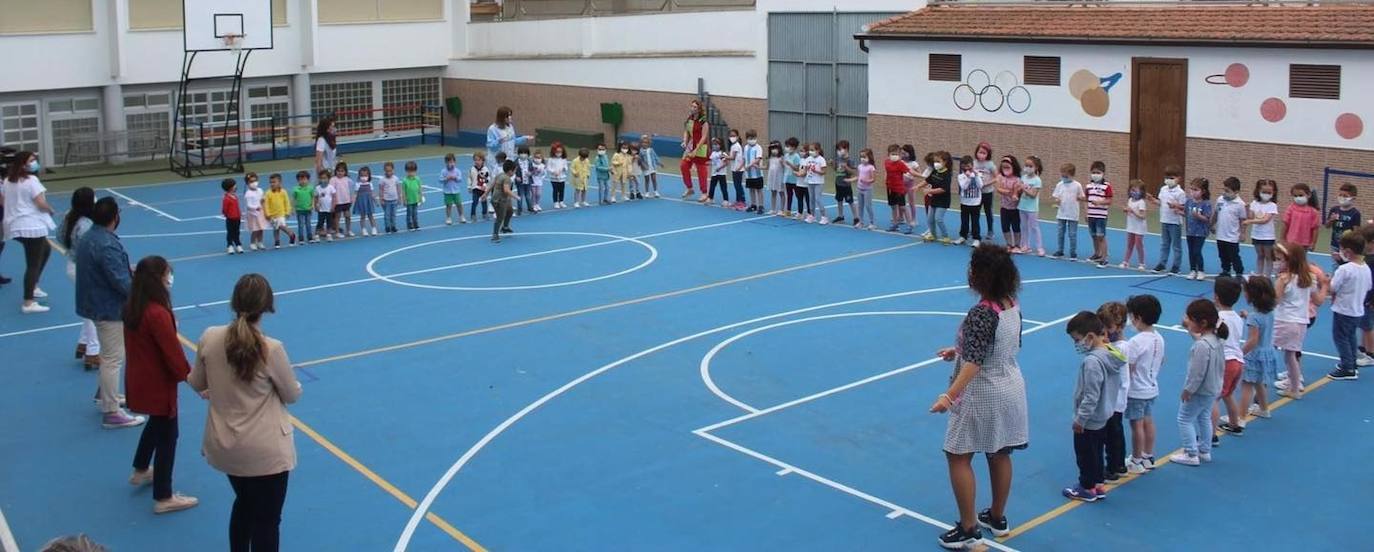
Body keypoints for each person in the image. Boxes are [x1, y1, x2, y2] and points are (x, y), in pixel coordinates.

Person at [189, 273, 300, 552]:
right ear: (267, 306)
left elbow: (197, 382)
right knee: (267, 520)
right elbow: (291, 394)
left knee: (245, 504)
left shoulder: (210, 337)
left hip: (226, 443)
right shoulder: (270, 348)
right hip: (264, 449)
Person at [928, 244, 1029, 549]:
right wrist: (958, 349)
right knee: (1000, 452)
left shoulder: (982, 313)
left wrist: (949, 396)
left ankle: (969, 528)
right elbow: (1000, 345)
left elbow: (976, 362)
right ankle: (997, 517)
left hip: (982, 392)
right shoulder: (1011, 304)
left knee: (957, 454)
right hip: (1010, 384)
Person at [123, 255, 198, 514]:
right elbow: (172, 353)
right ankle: (164, 496)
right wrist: (192, 379)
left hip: (140, 375)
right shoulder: (156, 313)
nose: (170, 279)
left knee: (156, 423)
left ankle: (141, 468)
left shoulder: (134, 305)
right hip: (157, 381)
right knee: (168, 434)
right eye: (167, 274)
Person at [76, 197, 146, 429]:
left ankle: (106, 395)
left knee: (109, 356)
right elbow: (120, 282)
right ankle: (111, 411)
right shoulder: (106, 243)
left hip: (94, 302)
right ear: (115, 217)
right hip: (108, 308)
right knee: (113, 358)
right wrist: (143, 292)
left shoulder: (91, 237)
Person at [1062, 311, 1125, 502]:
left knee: (1085, 454)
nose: (1076, 344)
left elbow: (1091, 395)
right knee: (1097, 450)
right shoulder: (1112, 354)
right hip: (1105, 414)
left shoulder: (1091, 362)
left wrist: (1080, 419)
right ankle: (1098, 483)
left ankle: (1086, 487)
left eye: (1077, 339)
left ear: (1090, 337)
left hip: (1090, 419)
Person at [1170, 299, 1225, 466]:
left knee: (1184, 419)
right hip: (1213, 387)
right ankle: (1204, 450)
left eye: (1190, 319)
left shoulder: (1201, 346)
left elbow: (1197, 373)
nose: (1188, 322)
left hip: (1200, 390)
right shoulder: (1216, 340)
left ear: (1202, 323)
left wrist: (1188, 390)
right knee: (1204, 417)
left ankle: (1191, 452)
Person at [4, 151, 56, 312]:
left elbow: (4, 199)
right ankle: (28, 301)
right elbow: (40, 202)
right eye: (31, 160)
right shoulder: (31, 180)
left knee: (46, 250)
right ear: (24, 164)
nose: (35, 162)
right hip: (31, 226)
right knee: (33, 264)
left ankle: (33, 286)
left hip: (16, 225)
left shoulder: (8, 181)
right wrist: (50, 210)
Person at [60, 187, 101, 369]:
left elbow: (60, 236)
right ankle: (93, 351)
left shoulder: (70, 216)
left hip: (72, 264)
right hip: (85, 269)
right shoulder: (86, 226)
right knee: (95, 311)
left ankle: (83, 343)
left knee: (89, 306)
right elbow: (93, 250)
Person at [1123, 294, 1164, 473]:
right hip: (1151, 386)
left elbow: (1129, 367)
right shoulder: (1158, 338)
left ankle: (1136, 459)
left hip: (1136, 390)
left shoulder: (1136, 342)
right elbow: (1162, 360)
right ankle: (1148, 455)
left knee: (1136, 425)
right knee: (1148, 421)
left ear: (1138, 318)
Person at [1234, 276, 1279, 432]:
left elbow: (1253, 340)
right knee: (1259, 382)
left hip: (1254, 354)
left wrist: (1240, 353)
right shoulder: (1269, 312)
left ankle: (1240, 418)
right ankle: (1264, 409)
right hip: (1267, 351)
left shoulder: (1254, 317)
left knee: (1246, 385)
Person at [1272, 243, 1314, 399]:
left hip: (1284, 321)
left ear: (1290, 261)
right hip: (1300, 321)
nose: (1277, 263)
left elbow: (1275, 300)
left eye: (1279, 260)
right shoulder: (1306, 278)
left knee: (1268, 350)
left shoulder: (1284, 279)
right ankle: (1295, 388)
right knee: (1291, 356)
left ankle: (1260, 386)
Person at [1327, 232, 1370, 381]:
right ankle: (1352, 362)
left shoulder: (1344, 270)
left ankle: (1347, 367)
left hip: (1344, 309)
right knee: (1350, 336)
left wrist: (1326, 281)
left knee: (1340, 337)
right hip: (1357, 309)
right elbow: (1369, 286)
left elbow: (1332, 287)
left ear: (1348, 251)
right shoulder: (1365, 268)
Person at [1095, 301, 1130, 481]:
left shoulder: (1121, 346)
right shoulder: (1115, 343)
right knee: (1114, 431)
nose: (1106, 332)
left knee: (1112, 432)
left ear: (1120, 326)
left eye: (1109, 328)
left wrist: (1104, 345)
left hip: (1116, 396)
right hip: (1112, 394)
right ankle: (1118, 464)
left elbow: (1118, 361)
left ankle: (1115, 465)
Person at [1212, 277, 1246, 439]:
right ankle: (1234, 423)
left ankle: (1211, 435)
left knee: (1213, 399)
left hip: (1224, 361)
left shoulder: (1218, 318)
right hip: (1238, 361)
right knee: (1228, 394)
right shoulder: (1237, 318)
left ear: (1216, 297)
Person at [1151, 165, 1187, 275]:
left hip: (1175, 222)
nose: (1169, 180)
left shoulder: (1180, 193)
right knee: (1164, 244)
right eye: (1167, 178)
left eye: (1172, 178)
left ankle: (1176, 266)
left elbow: (1183, 207)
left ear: (1178, 178)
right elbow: (1161, 202)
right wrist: (1153, 200)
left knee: (1176, 245)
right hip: (1164, 220)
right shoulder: (1163, 189)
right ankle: (1162, 263)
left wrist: (1176, 206)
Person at [1242, 179, 1279, 278]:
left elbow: (1265, 220)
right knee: (1260, 255)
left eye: (1269, 192)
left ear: (1273, 193)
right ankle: (1259, 273)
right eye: (1264, 192)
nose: (1266, 194)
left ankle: (1267, 275)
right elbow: (1250, 216)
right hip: (1256, 234)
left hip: (1268, 236)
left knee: (1268, 256)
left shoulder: (1272, 206)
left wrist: (1250, 222)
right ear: (1258, 191)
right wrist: (1247, 208)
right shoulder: (1255, 203)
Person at [1214, 177, 1247, 278]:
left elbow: (1242, 220)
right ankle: (1226, 270)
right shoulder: (1220, 200)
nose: (1224, 193)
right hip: (1221, 234)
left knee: (1234, 255)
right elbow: (1215, 213)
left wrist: (1243, 233)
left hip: (1232, 236)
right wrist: (1211, 224)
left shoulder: (1240, 204)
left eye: (1227, 191)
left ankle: (1239, 272)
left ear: (1236, 191)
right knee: (1222, 255)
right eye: (1224, 190)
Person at [1183, 178, 1214, 280]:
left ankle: (1200, 270)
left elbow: (1207, 218)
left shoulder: (1206, 204)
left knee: (1197, 251)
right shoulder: (1189, 202)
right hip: (1190, 231)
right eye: (1191, 189)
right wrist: (1177, 211)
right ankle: (1192, 270)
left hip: (1200, 232)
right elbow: (1186, 213)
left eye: (1196, 190)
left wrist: (1198, 216)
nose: (1193, 192)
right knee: (1191, 251)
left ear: (1203, 191)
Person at [679, 99, 710, 200]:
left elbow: (704, 136)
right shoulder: (689, 119)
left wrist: (697, 149)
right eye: (691, 106)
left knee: (701, 170)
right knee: (683, 165)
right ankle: (689, 188)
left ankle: (704, 193)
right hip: (690, 146)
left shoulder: (703, 121)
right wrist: (685, 141)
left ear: (699, 109)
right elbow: (686, 131)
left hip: (701, 148)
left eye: (695, 107)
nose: (692, 108)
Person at [1051, 163, 1083, 259]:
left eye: (1066, 176)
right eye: (1062, 175)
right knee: (1060, 233)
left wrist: (1080, 197)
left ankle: (1073, 252)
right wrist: (1057, 201)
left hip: (1073, 213)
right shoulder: (1060, 184)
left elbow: (1082, 196)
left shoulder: (1077, 185)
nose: (1063, 177)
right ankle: (1060, 250)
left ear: (1072, 175)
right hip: (1061, 213)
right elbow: (1056, 196)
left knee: (1072, 234)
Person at [1084, 161, 1113, 267]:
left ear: (1103, 173)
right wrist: (1086, 212)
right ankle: (1097, 253)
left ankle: (1104, 258)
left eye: (1098, 172)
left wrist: (1100, 202)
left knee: (1101, 236)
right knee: (1094, 236)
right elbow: (1086, 200)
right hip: (1091, 214)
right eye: (1093, 172)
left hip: (1101, 215)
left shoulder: (1107, 186)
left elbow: (1109, 201)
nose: (1095, 175)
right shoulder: (1088, 186)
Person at [1326, 182, 1361, 266]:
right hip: (1334, 244)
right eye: (1340, 195)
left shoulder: (1355, 213)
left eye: (1345, 196)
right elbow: (1327, 226)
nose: (1342, 198)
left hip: (1347, 247)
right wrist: (1331, 220)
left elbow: (1356, 232)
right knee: (1335, 265)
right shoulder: (1334, 209)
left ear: (1353, 198)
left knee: (1347, 265)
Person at [1281, 183, 1321, 252]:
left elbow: (1315, 229)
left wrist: (1313, 243)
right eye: (1295, 196)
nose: (1298, 198)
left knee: (1301, 260)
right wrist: (1282, 238)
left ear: (1308, 195)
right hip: (1291, 241)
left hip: (1304, 244)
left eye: (1300, 195)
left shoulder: (1313, 212)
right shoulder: (1291, 208)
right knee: (1290, 259)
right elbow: (1285, 224)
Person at [1018, 156, 1045, 256]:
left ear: (1036, 167)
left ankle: (1039, 247)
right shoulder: (1023, 177)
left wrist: (1024, 188)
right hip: (1022, 206)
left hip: (1032, 208)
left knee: (1034, 227)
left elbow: (1033, 195)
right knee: (1024, 227)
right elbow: (1020, 191)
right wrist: (1018, 189)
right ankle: (1025, 245)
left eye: (1030, 166)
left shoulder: (1037, 180)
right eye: (1026, 165)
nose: (1028, 168)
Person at [994, 156, 1023, 250]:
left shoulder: (1017, 179)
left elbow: (1017, 191)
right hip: (1004, 207)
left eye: (1008, 167)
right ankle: (1009, 244)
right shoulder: (1000, 177)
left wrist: (1015, 193)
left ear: (1013, 166)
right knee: (1005, 226)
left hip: (1015, 208)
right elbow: (998, 189)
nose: (1005, 169)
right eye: (1004, 167)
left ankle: (1017, 245)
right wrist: (1009, 192)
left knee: (1016, 227)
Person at [926, 151, 953, 243]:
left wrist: (930, 191)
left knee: (938, 219)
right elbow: (927, 180)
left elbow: (943, 189)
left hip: (943, 201)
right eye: (935, 161)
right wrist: (917, 186)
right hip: (934, 200)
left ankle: (946, 236)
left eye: (938, 161)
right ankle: (933, 235)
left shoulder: (947, 174)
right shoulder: (935, 171)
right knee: (930, 219)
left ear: (945, 162)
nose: (936, 164)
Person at [1120, 180, 1148, 269]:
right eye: (1132, 190)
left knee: (1138, 244)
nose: (1133, 192)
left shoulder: (1141, 202)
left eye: (1136, 191)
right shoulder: (1130, 200)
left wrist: (1133, 211)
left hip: (1139, 227)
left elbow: (1142, 216)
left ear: (1141, 192)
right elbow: (1129, 212)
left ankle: (1142, 263)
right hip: (1131, 226)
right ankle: (1126, 261)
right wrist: (1126, 210)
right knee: (1129, 244)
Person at [264, 174, 297, 248]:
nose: (272, 184)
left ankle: (291, 234)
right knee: (275, 228)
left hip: (281, 214)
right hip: (272, 215)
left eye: (274, 182)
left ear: (279, 182)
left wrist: (288, 211)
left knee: (282, 226)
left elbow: (287, 202)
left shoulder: (283, 192)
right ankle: (277, 241)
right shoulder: (268, 193)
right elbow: (266, 204)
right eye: (271, 182)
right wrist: (268, 214)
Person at [956, 155, 983, 245]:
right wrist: (968, 178)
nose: (966, 168)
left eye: (968, 165)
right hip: (964, 202)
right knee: (964, 221)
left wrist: (975, 175)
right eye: (964, 166)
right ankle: (963, 236)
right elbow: (964, 187)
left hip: (975, 203)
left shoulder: (978, 174)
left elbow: (980, 186)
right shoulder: (961, 176)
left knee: (975, 221)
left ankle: (976, 238)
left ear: (972, 165)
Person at [972, 141, 996, 237]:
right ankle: (974, 229)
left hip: (987, 192)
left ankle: (990, 230)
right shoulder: (973, 163)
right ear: (976, 152)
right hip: (977, 192)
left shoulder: (990, 164)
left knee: (988, 211)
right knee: (975, 211)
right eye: (980, 152)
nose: (981, 155)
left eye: (984, 153)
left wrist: (986, 183)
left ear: (988, 154)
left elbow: (996, 177)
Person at [491, 159, 517, 243]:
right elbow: (506, 190)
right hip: (499, 200)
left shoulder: (500, 175)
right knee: (500, 217)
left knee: (510, 211)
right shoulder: (507, 179)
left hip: (500, 199)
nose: (514, 172)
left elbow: (492, 185)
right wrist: (515, 196)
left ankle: (505, 227)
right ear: (510, 171)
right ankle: (495, 235)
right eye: (514, 171)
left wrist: (485, 194)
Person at [803, 143, 829, 224]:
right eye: (810, 150)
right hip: (810, 181)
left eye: (812, 150)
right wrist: (806, 169)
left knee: (818, 198)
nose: (811, 152)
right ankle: (812, 216)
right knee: (811, 199)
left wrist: (816, 171)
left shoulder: (821, 159)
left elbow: (824, 172)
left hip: (818, 182)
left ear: (818, 150)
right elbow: (805, 168)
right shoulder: (808, 159)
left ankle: (824, 217)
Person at [242, 173, 267, 251]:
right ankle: (252, 243)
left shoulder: (260, 190)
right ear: (247, 183)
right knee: (255, 229)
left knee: (261, 228)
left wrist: (263, 200)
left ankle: (260, 242)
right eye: (251, 181)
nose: (254, 183)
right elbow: (249, 206)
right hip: (253, 214)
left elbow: (263, 199)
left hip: (261, 213)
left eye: (255, 181)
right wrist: (256, 208)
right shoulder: (248, 194)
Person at [439, 153, 466, 225]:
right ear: (446, 163)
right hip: (447, 192)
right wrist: (446, 179)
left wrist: (455, 178)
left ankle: (461, 216)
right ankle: (448, 217)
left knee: (459, 204)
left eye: (452, 162)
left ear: (455, 162)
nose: (450, 164)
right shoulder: (443, 171)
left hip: (456, 191)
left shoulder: (457, 171)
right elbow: (440, 180)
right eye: (448, 162)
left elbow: (460, 179)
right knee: (448, 205)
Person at [854, 148, 877, 230]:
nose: (862, 159)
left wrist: (867, 181)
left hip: (867, 189)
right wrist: (852, 180)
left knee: (868, 206)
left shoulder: (871, 167)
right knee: (860, 206)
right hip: (859, 188)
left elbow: (873, 179)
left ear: (869, 157)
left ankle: (872, 223)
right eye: (861, 157)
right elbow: (858, 176)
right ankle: (861, 222)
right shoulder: (859, 166)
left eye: (864, 157)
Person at [353, 166, 378, 236]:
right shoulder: (357, 184)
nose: (363, 177)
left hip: (368, 202)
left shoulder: (370, 184)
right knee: (362, 216)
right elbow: (355, 194)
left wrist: (376, 201)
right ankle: (363, 229)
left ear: (369, 176)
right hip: (361, 202)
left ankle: (374, 228)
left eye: (365, 175)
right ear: (359, 176)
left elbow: (372, 193)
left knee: (370, 216)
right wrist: (353, 202)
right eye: (362, 175)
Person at [330, 162, 354, 238]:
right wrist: (333, 202)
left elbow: (351, 189)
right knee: (337, 217)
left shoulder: (347, 179)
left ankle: (348, 230)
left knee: (348, 216)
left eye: (342, 171)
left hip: (346, 201)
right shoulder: (333, 179)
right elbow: (331, 191)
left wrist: (351, 198)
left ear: (345, 172)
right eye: (338, 171)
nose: (340, 173)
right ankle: (337, 232)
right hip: (338, 202)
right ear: (335, 171)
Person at [743, 131, 765, 213]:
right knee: (751, 189)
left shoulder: (758, 147)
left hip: (757, 173)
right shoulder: (745, 147)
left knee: (759, 190)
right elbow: (744, 158)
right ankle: (753, 205)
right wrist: (741, 167)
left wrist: (749, 165)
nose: (752, 140)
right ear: (747, 139)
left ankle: (761, 206)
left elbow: (758, 159)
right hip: (749, 174)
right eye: (750, 138)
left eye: (753, 138)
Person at [378, 163, 401, 234]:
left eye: (390, 171)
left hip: (394, 200)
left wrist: (399, 198)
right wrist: (381, 199)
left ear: (393, 170)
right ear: (384, 171)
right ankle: (387, 227)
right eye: (387, 171)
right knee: (387, 215)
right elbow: (381, 190)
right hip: (386, 200)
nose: (389, 172)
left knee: (393, 214)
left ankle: (393, 226)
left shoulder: (396, 178)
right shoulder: (382, 180)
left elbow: (398, 188)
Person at [221, 178, 243, 254]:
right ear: (230, 187)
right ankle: (230, 245)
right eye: (234, 185)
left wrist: (239, 214)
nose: (236, 186)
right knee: (230, 232)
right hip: (230, 219)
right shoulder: (226, 198)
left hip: (237, 218)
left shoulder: (235, 197)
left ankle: (238, 244)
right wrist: (228, 215)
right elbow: (224, 209)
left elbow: (237, 207)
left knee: (237, 232)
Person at [313, 170, 336, 240]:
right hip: (321, 209)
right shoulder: (317, 188)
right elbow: (316, 198)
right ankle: (317, 234)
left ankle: (328, 234)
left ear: (329, 179)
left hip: (329, 209)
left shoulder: (331, 187)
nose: (323, 180)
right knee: (320, 222)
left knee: (329, 222)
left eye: (325, 178)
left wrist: (333, 206)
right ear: (319, 179)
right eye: (321, 178)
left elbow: (334, 197)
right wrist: (315, 205)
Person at [640, 134, 664, 199]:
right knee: (647, 180)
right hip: (646, 168)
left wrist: (659, 163)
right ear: (641, 143)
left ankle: (656, 191)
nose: (644, 144)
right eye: (643, 142)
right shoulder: (641, 151)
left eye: (646, 143)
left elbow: (655, 157)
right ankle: (647, 192)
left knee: (654, 179)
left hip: (652, 167)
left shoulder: (651, 150)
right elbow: (640, 160)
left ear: (648, 143)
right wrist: (642, 166)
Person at [402, 161, 424, 231]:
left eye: (412, 171)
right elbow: (403, 191)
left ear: (415, 171)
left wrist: (420, 197)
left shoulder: (417, 179)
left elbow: (420, 188)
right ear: (406, 171)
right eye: (409, 171)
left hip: (415, 199)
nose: (411, 173)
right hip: (409, 200)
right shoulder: (405, 180)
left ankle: (416, 224)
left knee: (415, 213)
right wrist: (404, 200)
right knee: (409, 213)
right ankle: (409, 225)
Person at [470, 152, 492, 217]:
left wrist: (484, 185)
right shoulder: (472, 169)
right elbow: (470, 178)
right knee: (475, 201)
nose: (477, 162)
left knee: (484, 201)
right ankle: (473, 214)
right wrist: (469, 186)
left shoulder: (485, 169)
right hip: (475, 188)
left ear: (483, 161)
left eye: (479, 160)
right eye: (475, 160)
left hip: (483, 189)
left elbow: (488, 178)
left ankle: (484, 213)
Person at [547, 142, 569, 209]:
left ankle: (561, 201)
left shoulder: (563, 159)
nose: (558, 153)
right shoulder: (551, 159)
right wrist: (554, 172)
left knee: (561, 190)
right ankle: (555, 202)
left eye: (560, 152)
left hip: (562, 178)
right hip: (554, 178)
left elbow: (566, 167)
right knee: (555, 190)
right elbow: (548, 168)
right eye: (557, 152)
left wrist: (563, 168)